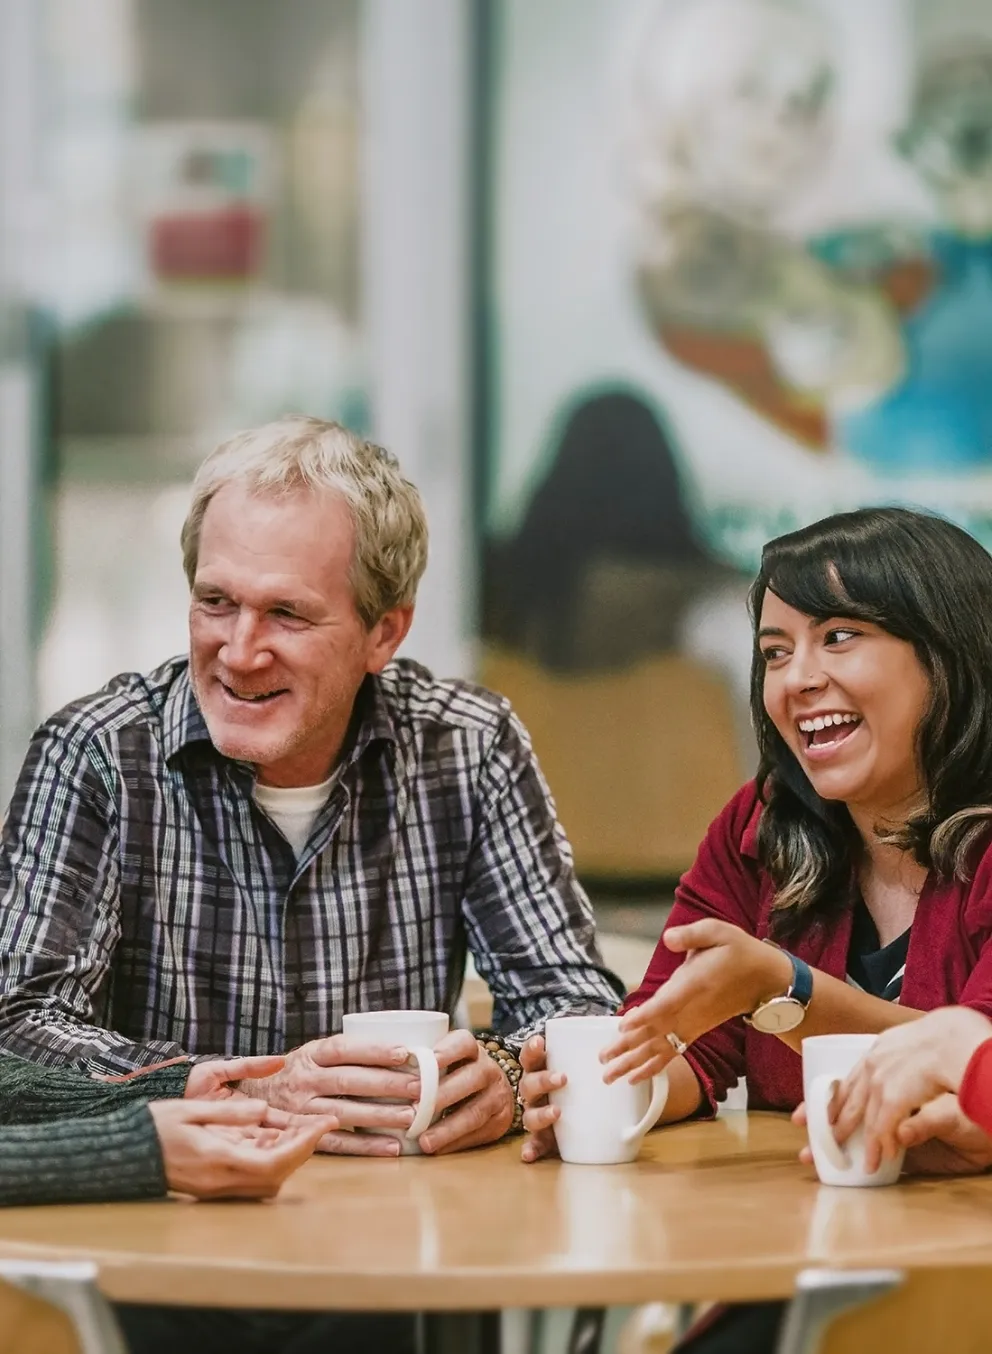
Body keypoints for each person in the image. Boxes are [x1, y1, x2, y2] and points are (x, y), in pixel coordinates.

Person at [0, 415, 620, 1151]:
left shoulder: (467, 746)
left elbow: (576, 1006)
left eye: (286, 613)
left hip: (404, 1224)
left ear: (384, 634)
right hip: (174, 1216)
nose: (238, 651)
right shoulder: (98, 753)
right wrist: (241, 1087)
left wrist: (507, 1078)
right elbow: (15, 1031)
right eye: (216, 602)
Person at [520, 506, 992, 1353]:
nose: (795, 679)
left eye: (839, 637)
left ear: (947, 654)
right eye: (776, 652)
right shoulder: (760, 828)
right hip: (795, 1265)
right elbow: (685, 1043)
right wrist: (616, 1091)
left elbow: (970, 1062)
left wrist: (787, 992)